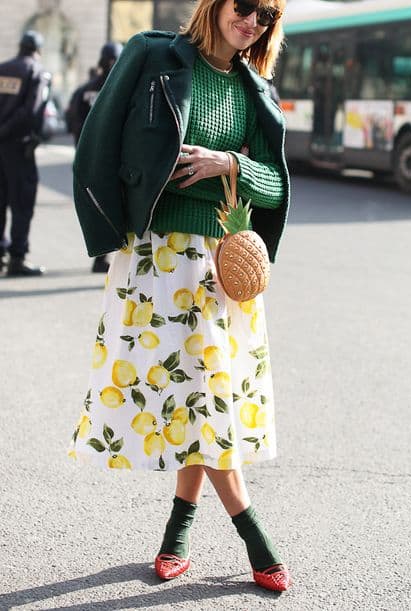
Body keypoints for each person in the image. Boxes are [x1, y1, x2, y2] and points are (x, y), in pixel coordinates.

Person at [68, 0, 291, 593]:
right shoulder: (151, 55)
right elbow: (97, 145)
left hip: (223, 268)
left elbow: (275, 185)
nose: (252, 21)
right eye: (244, 6)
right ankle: (253, 535)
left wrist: (230, 164)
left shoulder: (255, 89)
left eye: (267, 15)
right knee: (203, 399)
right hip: (159, 261)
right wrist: (107, 234)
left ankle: (177, 532)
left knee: (205, 402)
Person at [67, 42, 123, 273]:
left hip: (88, 159)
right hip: (113, 160)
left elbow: (72, 120)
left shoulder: (85, 90)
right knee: (112, 207)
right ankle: (104, 258)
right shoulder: (120, 87)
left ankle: (101, 255)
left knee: (95, 207)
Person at [0, 30, 49, 276]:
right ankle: (17, 258)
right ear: (37, 50)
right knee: (21, 203)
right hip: (19, 147)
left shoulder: (3, 69)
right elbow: (31, 111)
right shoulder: (36, 71)